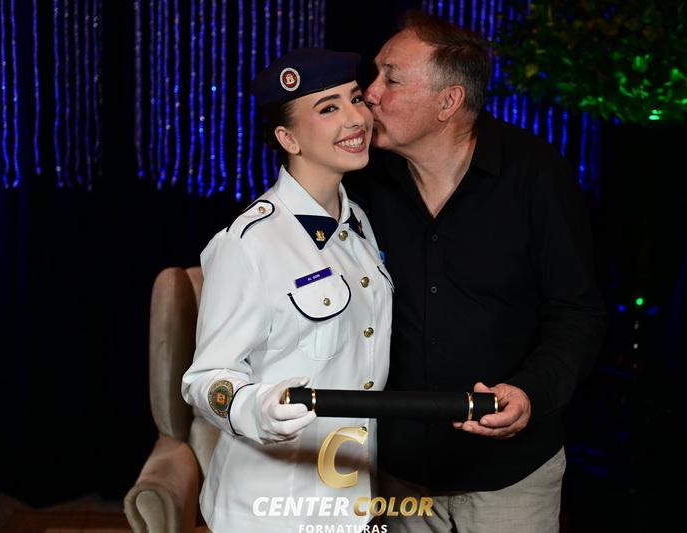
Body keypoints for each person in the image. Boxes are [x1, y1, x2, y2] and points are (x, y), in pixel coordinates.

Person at [344, 11, 607, 533]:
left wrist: (529, 392)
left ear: (449, 102)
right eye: (375, 76)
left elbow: (577, 311)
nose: (369, 94)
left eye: (391, 79)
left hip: (509, 475)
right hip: (398, 471)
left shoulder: (534, 174)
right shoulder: (360, 180)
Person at [181, 48, 392, 533]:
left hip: (350, 501)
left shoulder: (358, 223)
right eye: (328, 108)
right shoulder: (248, 243)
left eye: (355, 99)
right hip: (269, 508)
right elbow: (205, 380)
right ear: (288, 138)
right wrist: (255, 409)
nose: (356, 118)